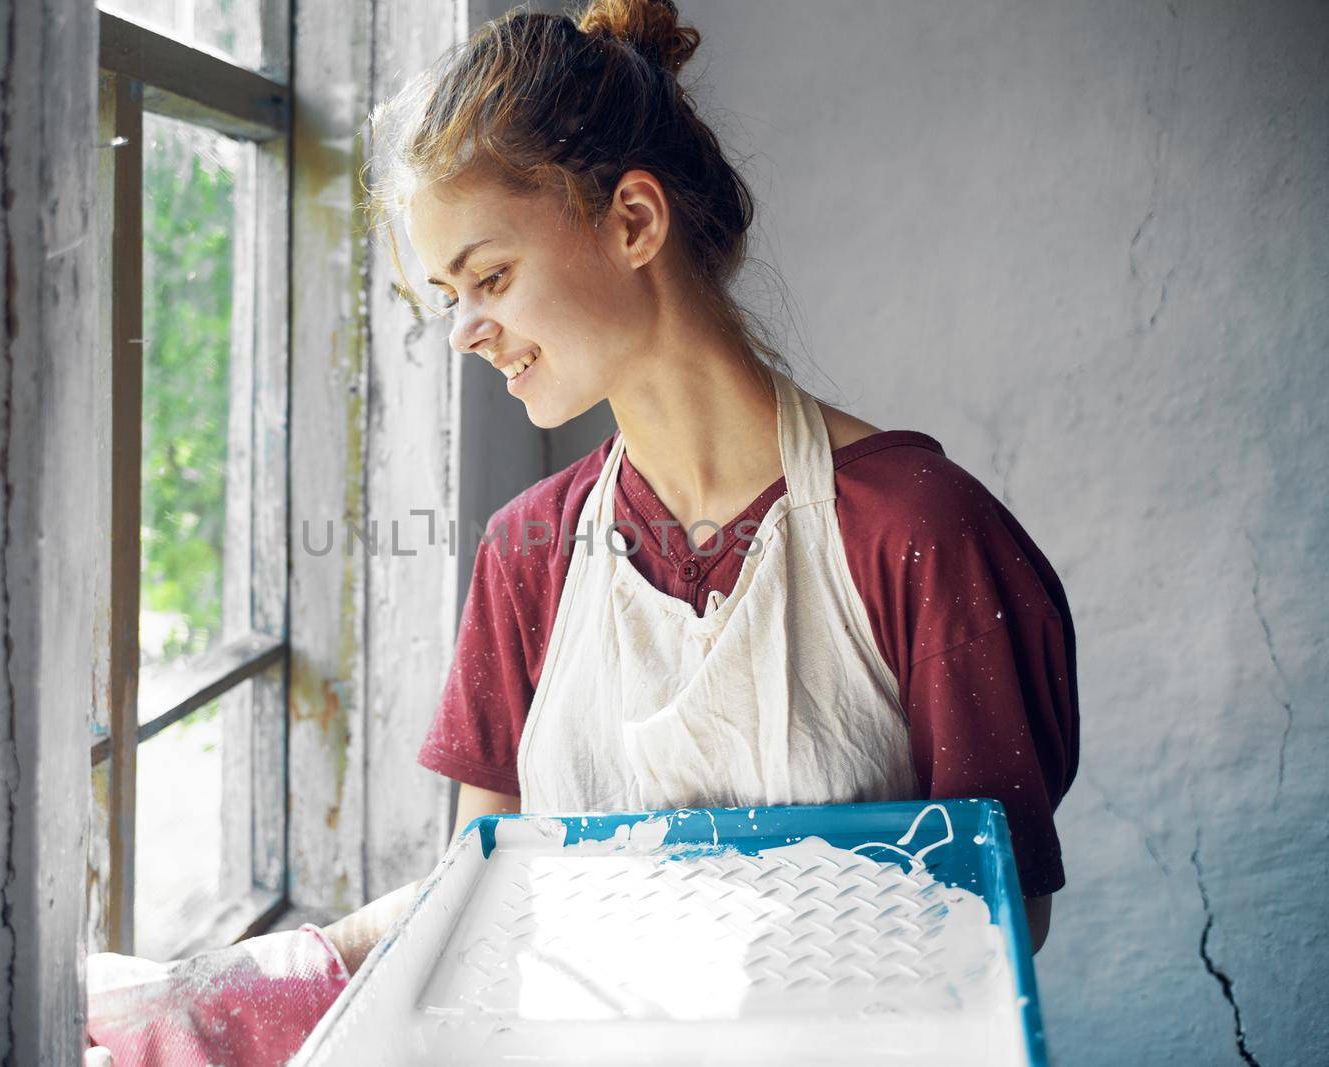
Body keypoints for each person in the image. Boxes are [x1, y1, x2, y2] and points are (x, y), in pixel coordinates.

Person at [86, 1, 1080, 1060]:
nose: (465, 329)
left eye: (490, 277)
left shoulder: (922, 534)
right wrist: (238, 992)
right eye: (447, 294)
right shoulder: (527, 554)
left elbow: (999, 915)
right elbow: (489, 905)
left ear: (634, 221)